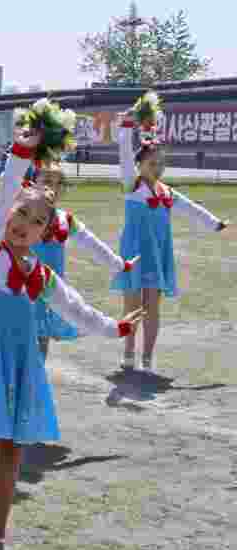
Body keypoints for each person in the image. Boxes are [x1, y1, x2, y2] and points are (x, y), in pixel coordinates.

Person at [0, 128, 145, 550]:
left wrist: (117, 329)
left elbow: (77, 309)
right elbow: (0, 199)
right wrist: (20, 153)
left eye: (35, 222)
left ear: (44, 234)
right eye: (20, 213)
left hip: (21, 364)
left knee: (14, 453)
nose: (23, 224)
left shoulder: (40, 274)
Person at [110, 108, 229, 372]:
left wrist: (215, 224)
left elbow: (191, 208)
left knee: (153, 306)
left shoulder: (166, 192)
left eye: (161, 163)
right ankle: (129, 351)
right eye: (152, 163)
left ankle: (148, 356)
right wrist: (127, 127)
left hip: (157, 253)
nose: (158, 168)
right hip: (134, 252)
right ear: (140, 164)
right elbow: (124, 157)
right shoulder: (132, 185)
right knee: (132, 304)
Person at [30, 162, 137, 361]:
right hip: (21, 287)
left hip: (51, 289)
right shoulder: (22, 212)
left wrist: (119, 264)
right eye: (46, 181)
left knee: (41, 341)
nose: (53, 187)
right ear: (33, 182)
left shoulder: (65, 219)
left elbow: (92, 243)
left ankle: (33, 388)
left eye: (59, 183)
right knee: (20, 341)